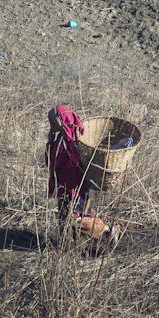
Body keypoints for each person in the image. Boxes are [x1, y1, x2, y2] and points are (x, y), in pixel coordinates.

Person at [45, 104, 119, 251]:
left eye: (52, 122)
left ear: (58, 122)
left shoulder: (70, 143)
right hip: (65, 187)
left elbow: (53, 162)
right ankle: (66, 246)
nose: (51, 125)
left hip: (75, 188)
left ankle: (107, 231)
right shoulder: (64, 138)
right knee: (63, 216)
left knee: (79, 218)